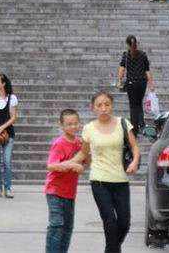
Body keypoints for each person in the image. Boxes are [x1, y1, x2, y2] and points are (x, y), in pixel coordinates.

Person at [76, 91, 139, 253]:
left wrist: (134, 162)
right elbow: (83, 153)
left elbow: (134, 147)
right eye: (99, 105)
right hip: (99, 181)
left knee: (124, 223)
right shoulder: (89, 128)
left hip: (121, 180)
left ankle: (110, 250)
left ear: (112, 106)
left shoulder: (123, 123)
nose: (103, 108)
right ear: (93, 108)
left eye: (107, 104)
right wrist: (69, 163)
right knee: (109, 221)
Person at [44, 109, 84, 253]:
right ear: (61, 125)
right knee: (57, 226)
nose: (73, 126)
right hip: (54, 191)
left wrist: (87, 150)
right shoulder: (59, 143)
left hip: (69, 193)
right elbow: (51, 165)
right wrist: (72, 165)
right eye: (69, 124)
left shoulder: (79, 143)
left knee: (67, 227)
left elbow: (86, 161)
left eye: (75, 123)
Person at [117, 36, 154, 134]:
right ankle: (141, 123)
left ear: (127, 44)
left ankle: (134, 128)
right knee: (139, 103)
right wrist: (151, 84)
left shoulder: (126, 55)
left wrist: (119, 80)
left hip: (131, 83)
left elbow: (122, 69)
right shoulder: (143, 55)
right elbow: (147, 70)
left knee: (133, 106)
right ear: (136, 43)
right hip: (142, 83)